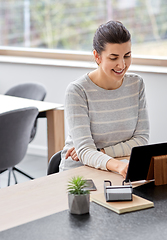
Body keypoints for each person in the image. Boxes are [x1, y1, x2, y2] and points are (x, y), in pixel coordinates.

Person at [59, 20, 149, 178]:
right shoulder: (78, 91)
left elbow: (141, 140)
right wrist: (117, 164)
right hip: (80, 173)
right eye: (113, 58)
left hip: (119, 168)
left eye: (127, 56)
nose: (122, 65)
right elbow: (85, 152)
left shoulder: (136, 84)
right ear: (97, 56)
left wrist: (102, 152)